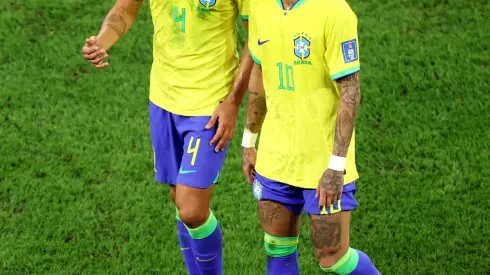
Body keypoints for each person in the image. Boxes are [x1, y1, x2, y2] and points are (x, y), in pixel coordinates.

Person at [82, 0, 253, 274]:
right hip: (163, 99)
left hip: (209, 103)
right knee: (178, 196)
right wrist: (102, 41)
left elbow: (255, 37)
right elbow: (124, 10)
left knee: (191, 210)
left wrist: (232, 101)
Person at [241, 0, 381, 274]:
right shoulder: (260, 5)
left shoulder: (334, 10)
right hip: (275, 158)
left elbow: (351, 90)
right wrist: (249, 140)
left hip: (323, 162)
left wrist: (336, 167)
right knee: (276, 249)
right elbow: (259, 71)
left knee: (333, 258)